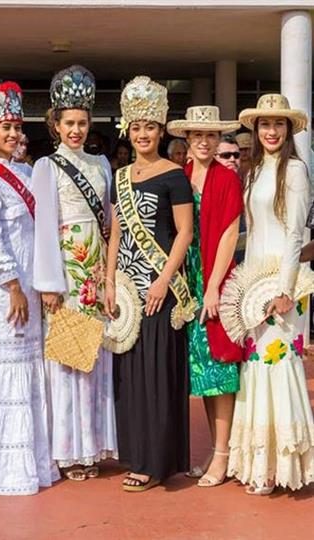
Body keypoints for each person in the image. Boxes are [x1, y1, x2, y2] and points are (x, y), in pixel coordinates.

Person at [0, 82, 60, 495]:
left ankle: (38, 461)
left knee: (35, 363)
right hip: (10, 285)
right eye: (4, 126)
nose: (12, 133)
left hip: (33, 280)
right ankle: (6, 466)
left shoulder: (27, 171)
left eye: (16, 126)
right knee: (13, 365)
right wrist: (13, 287)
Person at [105, 76, 194, 492]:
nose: (142, 135)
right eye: (136, 127)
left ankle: (158, 460)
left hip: (161, 290)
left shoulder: (174, 175)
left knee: (158, 374)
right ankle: (138, 454)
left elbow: (184, 233)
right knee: (131, 376)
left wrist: (162, 281)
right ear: (128, 129)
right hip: (126, 290)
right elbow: (117, 234)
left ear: (162, 129)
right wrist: (108, 283)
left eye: (150, 127)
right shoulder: (119, 176)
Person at [33, 65, 117, 482]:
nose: (76, 130)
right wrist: (49, 283)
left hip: (96, 269)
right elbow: (44, 225)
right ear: (56, 123)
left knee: (95, 356)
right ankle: (68, 450)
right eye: (69, 123)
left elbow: (109, 218)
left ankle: (95, 445)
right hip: (67, 268)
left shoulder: (102, 162)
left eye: (82, 122)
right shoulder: (46, 167)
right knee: (68, 359)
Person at [227, 94, 314, 495]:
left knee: (279, 363)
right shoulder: (255, 169)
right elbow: (254, 231)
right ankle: (262, 463)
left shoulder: (295, 171)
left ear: (289, 130)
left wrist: (285, 290)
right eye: (265, 125)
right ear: (256, 130)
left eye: (279, 125)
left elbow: (296, 234)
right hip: (254, 286)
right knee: (256, 367)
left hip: (283, 286)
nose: (272, 131)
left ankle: (285, 465)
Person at [166, 106, 243, 488]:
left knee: (222, 366)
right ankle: (216, 451)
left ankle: (224, 453)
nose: (203, 141)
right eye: (197, 134)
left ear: (218, 140)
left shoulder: (227, 179)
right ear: (187, 138)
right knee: (203, 371)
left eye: (211, 135)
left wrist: (213, 286)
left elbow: (230, 233)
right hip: (187, 284)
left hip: (214, 280)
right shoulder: (179, 177)